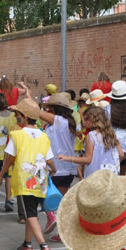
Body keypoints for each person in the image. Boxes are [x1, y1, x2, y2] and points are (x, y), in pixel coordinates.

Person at [0, 98, 57, 250]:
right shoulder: (44, 136)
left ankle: (43, 246)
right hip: (40, 179)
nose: (16, 117)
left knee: (30, 214)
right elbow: (50, 160)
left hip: (24, 180)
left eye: (17, 114)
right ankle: (27, 244)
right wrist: (53, 169)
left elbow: (10, 159)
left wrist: (1, 174)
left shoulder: (17, 135)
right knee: (33, 213)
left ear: (23, 116)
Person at [38, 92, 79, 242]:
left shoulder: (58, 121)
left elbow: (36, 112)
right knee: (60, 203)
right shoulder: (69, 121)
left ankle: (50, 217)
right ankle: (62, 233)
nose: (47, 110)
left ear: (54, 108)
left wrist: (27, 100)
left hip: (55, 167)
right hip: (67, 168)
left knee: (42, 195)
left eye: (49, 108)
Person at [59, 105, 122, 178]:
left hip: (95, 176)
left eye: (86, 120)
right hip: (111, 175)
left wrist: (68, 158)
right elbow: (121, 154)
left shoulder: (91, 136)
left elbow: (88, 159)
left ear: (94, 120)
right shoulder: (111, 134)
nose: (83, 122)